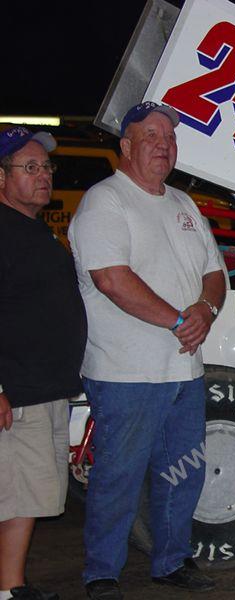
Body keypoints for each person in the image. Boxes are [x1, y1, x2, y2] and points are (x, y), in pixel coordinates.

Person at [68, 102, 226, 600]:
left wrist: (205, 308)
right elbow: (112, 280)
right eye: (151, 134)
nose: (164, 144)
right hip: (124, 372)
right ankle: (102, 573)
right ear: (126, 146)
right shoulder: (105, 201)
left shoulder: (183, 203)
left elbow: (215, 273)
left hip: (183, 369)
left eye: (170, 137)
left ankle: (171, 560)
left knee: (185, 470)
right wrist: (180, 319)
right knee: (119, 473)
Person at [0, 127, 87, 600]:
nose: (43, 176)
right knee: (14, 495)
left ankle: (12, 585)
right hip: (17, 391)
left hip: (45, 388)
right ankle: (10, 588)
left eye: (46, 168)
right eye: (29, 168)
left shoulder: (31, 229)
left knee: (28, 496)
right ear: (0, 177)